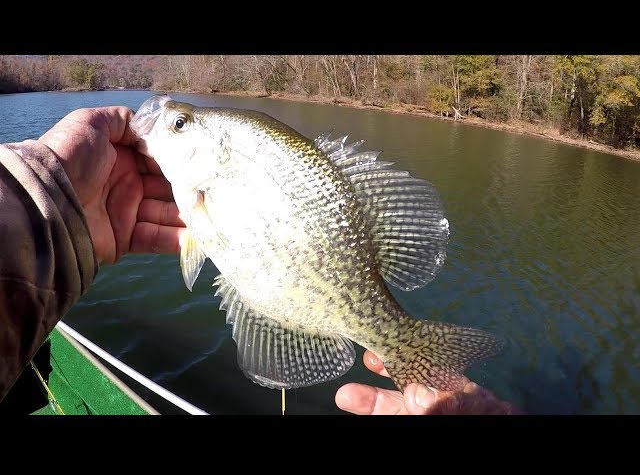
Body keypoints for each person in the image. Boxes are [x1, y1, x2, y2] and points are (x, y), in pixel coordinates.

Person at [0, 106, 522, 415]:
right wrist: (52, 204)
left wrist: (44, 205)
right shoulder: (195, 184)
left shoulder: (200, 187)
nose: (163, 120)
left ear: (212, 150)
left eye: (180, 124)